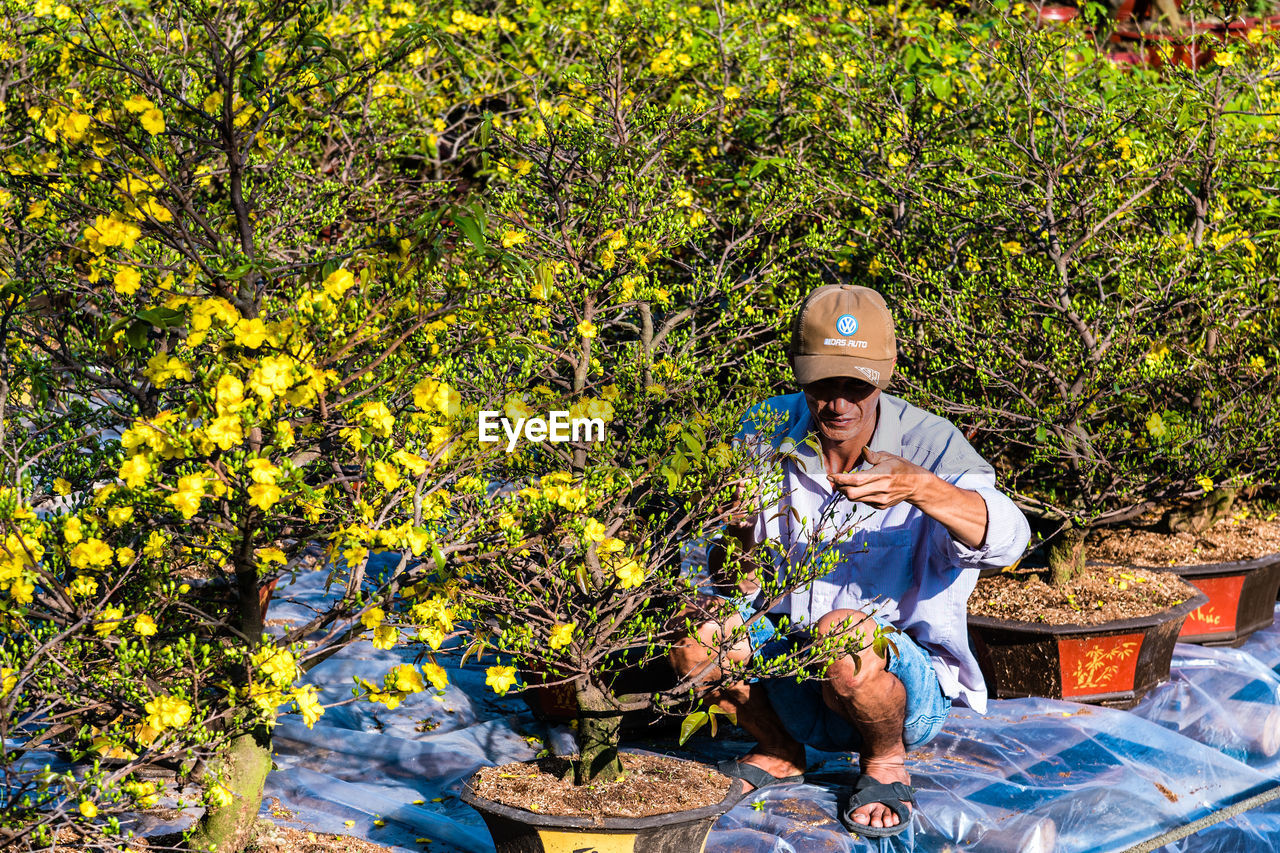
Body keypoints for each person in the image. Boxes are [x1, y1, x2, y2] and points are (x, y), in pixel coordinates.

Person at [671, 284, 1030, 838]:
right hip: (791, 667)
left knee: (841, 633)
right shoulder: (762, 431)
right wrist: (736, 533)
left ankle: (884, 761)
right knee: (693, 631)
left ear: (883, 375)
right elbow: (719, 579)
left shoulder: (931, 442)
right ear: (798, 372)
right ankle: (779, 747)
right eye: (823, 385)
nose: (838, 405)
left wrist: (922, 488)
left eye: (855, 387)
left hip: (899, 686)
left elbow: (1009, 540)